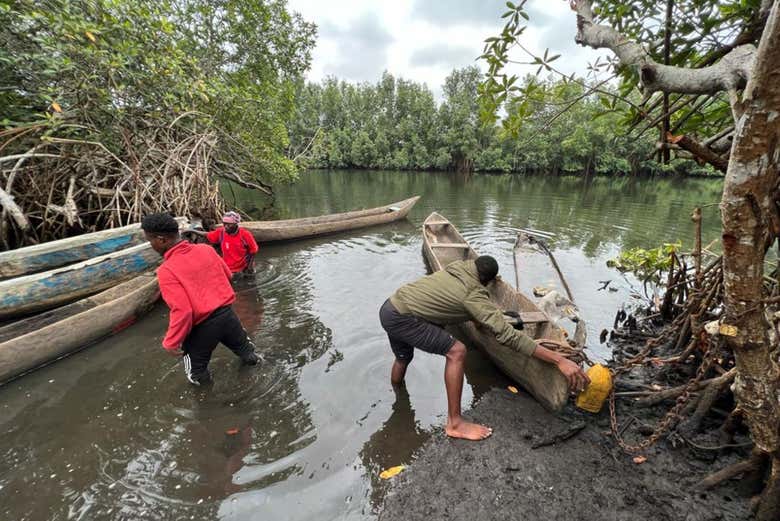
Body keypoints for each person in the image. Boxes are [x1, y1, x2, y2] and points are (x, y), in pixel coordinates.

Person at [379, 255, 590, 441]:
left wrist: (481, 319)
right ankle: (454, 423)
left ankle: (399, 398)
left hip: (390, 308)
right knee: (457, 351)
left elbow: (464, 303)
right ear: (488, 282)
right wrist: (559, 359)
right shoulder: (475, 295)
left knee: (402, 358)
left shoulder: (458, 267)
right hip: (405, 319)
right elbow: (508, 336)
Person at [141, 212, 260, 385]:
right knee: (248, 354)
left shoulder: (166, 271)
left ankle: (208, 407)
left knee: (196, 374)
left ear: (161, 240)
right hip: (228, 316)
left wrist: (171, 342)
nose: (151, 245)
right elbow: (227, 275)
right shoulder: (207, 250)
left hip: (202, 327)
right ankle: (254, 384)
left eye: (150, 240)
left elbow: (183, 311)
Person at [194, 211, 259, 275]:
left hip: (243, 269)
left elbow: (254, 250)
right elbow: (208, 234)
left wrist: (250, 266)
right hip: (228, 268)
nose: (226, 227)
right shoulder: (221, 232)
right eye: (224, 224)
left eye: (228, 224)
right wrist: (192, 231)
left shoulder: (245, 234)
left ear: (235, 224)